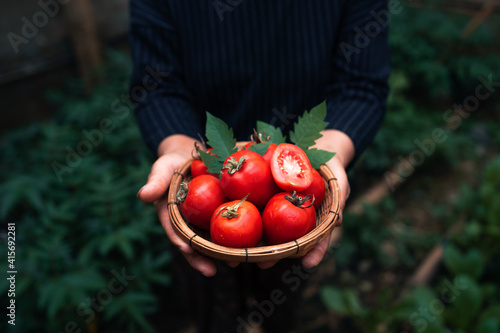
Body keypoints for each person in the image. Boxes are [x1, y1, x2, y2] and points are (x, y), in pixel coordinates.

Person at [130, 1, 390, 331]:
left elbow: (362, 84)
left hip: (301, 213)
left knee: (285, 307)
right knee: (210, 308)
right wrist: (179, 149)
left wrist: (332, 151)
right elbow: (156, 86)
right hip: (204, 196)